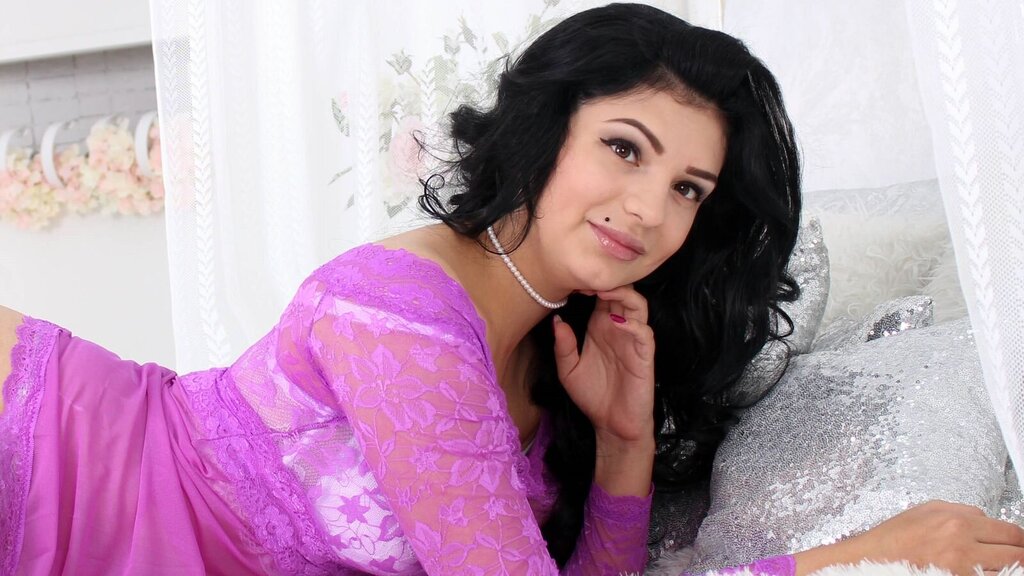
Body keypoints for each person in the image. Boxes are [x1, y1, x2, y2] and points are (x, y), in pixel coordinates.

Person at [2, 3, 1024, 575]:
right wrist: (851, 558)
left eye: (687, 189)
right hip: (61, 473)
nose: (647, 208)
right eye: (623, 148)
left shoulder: (559, 345)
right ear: (545, 134)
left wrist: (623, 444)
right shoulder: (400, 315)